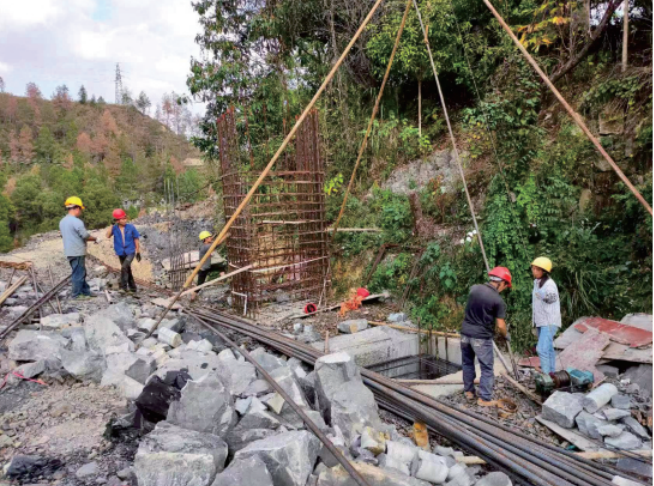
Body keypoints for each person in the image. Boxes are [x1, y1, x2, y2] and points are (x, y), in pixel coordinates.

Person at [460, 266, 511, 406]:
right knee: (487, 368)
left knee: (467, 363)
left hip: (464, 334)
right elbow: (500, 325)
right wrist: (506, 335)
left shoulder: (474, 288)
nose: (504, 289)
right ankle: (484, 398)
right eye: (505, 286)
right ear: (501, 282)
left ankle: (469, 392)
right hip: (481, 337)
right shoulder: (498, 300)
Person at [59, 196, 97, 300]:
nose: (81, 211)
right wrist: (95, 238)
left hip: (69, 251)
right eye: (80, 209)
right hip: (77, 251)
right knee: (78, 273)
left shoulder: (62, 221)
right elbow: (85, 235)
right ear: (76, 208)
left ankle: (85, 291)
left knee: (80, 271)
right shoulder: (77, 222)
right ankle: (76, 294)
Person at [531, 257, 561, 374]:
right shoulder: (536, 283)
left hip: (549, 321)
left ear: (543, 271)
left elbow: (552, 298)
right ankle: (552, 374)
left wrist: (543, 295)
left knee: (541, 349)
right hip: (540, 321)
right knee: (548, 349)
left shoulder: (549, 284)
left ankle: (546, 377)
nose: (533, 271)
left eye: (536, 269)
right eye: (533, 268)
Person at [105, 208, 141, 293]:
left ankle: (123, 287)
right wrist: (111, 225)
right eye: (123, 218)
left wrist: (138, 251)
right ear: (117, 220)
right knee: (127, 269)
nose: (125, 220)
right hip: (121, 252)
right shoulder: (114, 228)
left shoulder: (131, 227)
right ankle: (133, 288)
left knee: (124, 267)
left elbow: (136, 239)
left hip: (130, 251)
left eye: (125, 218)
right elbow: (107, 235)